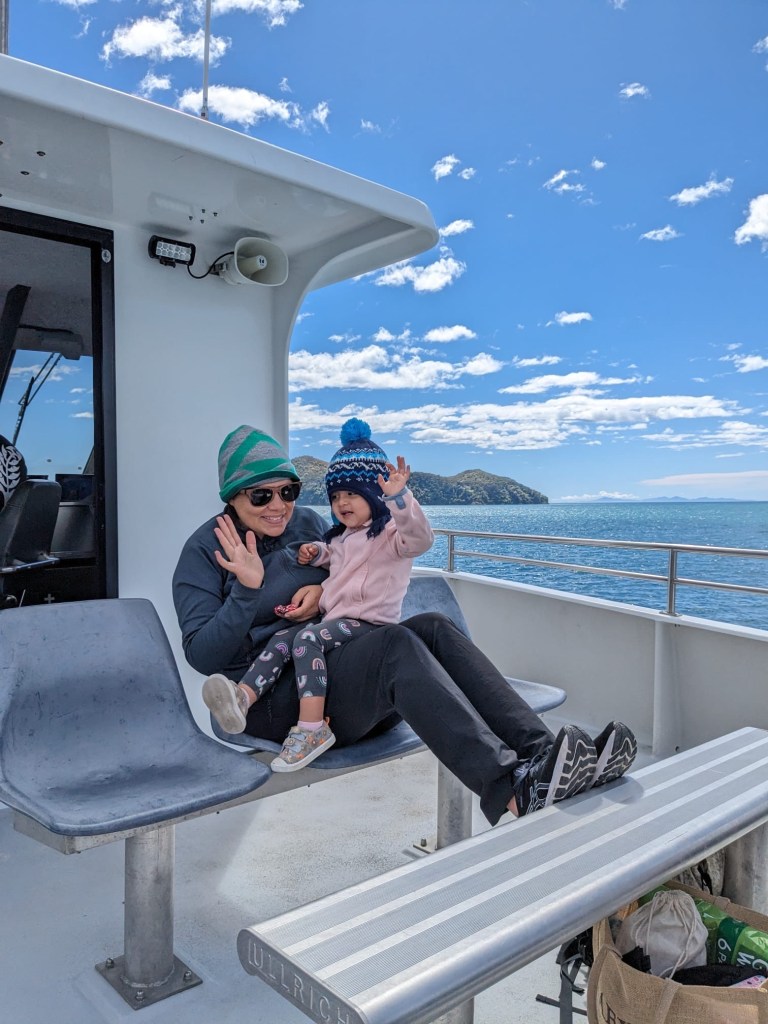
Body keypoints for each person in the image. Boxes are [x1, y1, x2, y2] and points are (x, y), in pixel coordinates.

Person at [173, 425, 637, 824]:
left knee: (433, 626)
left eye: (288, 491)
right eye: (261, 495)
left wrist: (317, 590)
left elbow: (341, 567)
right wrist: (247, 590)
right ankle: (510, 790)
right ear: (232, 496)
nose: (278, 506)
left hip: (338, 674)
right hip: (274, 705)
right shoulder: (202, 552)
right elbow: (202, 655)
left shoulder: (306, 524)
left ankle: (545, 756)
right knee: (394, 643)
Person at [202, 418, 435, 772]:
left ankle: (311, 728)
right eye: (336, 496)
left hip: (369, 625)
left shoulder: (390, 535)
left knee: (307, 639)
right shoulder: (341, 536)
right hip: (337, 623)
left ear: (373, 494)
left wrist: (399, 498)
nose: (342, 502)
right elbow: (336, 560)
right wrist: (315, 554)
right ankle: (243, 697)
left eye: (351, 493)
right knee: (282, 639)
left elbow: (419, 540)